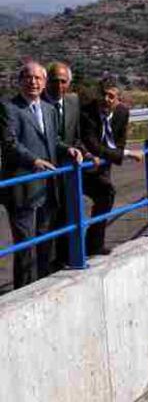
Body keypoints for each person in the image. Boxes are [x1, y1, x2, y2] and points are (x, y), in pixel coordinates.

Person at [1, 61, 83, 289]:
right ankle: (24, 292)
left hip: (47, 186)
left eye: (38, 78)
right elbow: (9, 144)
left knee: (46, 241)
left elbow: (53, 140)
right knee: (25, 246)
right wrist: (34, 161)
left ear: (44, 83)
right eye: (28, 77)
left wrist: (68, 149)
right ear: (20, 81)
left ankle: (43, 287)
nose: (33, 82)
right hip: (21, 188)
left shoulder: (48, 109)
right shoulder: (8, 108)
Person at [80, 77, 143, 256]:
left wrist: (116, 154)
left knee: (106, 196)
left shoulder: (122, 113)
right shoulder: (87, 113)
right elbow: (93, 145)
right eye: (103, 95)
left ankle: (94, 245)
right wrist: (127, 154)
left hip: (103, 165)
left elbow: (119, 142)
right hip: (82, 164)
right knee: (73, 208)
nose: (106, 100)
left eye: (111, 96)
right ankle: (76, 251)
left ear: (118, 100)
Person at [43, 61, 98, 266]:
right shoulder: (38, 103)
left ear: (69, 83)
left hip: (68, 171)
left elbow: (75, 136)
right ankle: (44, 268)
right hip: (45, 170)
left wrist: (86, 153)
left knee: (70, 215)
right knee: (47, 224)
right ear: (47, 81)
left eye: (63, 81)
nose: (59, 86)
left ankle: (66, 259)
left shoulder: (73, 101)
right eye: (55, 80)